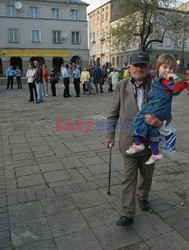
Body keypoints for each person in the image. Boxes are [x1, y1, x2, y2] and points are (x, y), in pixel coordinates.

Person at [105, 51, 165, 226]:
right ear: (129, 67)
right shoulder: (121, 86)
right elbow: (112, 114)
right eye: (135, 65)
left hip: (150, 141)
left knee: (146, 176)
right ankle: (127, 212)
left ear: (149, 67)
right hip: (129, 141)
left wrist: (160, 122)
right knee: (128, 178)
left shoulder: (157, 87)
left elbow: (167, 113)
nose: (139, 68)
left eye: (142, 65)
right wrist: (110, 134)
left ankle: (143, 195)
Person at [126, 54, 185, 165]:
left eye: (171, 68)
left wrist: (175, 77)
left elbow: (179, 88)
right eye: (165, 67)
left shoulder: (169, 81)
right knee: (151, 128)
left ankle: (138, 143)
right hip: (156, 104)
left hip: (159, 106)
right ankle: (156, 153)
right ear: (158, 68)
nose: (167, 70)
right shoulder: (157, 79)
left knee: (139, 117)